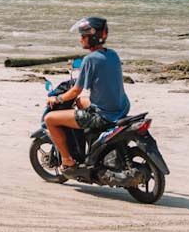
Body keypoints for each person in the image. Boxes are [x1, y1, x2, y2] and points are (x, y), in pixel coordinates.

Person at [43, 16, 130, 175]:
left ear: (92, 37)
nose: (80, 39)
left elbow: (76, 90)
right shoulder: (113, 54)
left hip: (103, 115)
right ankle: (91, 143)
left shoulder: (89, 60)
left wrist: (58, 98)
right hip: (120, 107)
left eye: (83, 36)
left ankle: (68, 161)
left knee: (50, 119)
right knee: (80, 102)